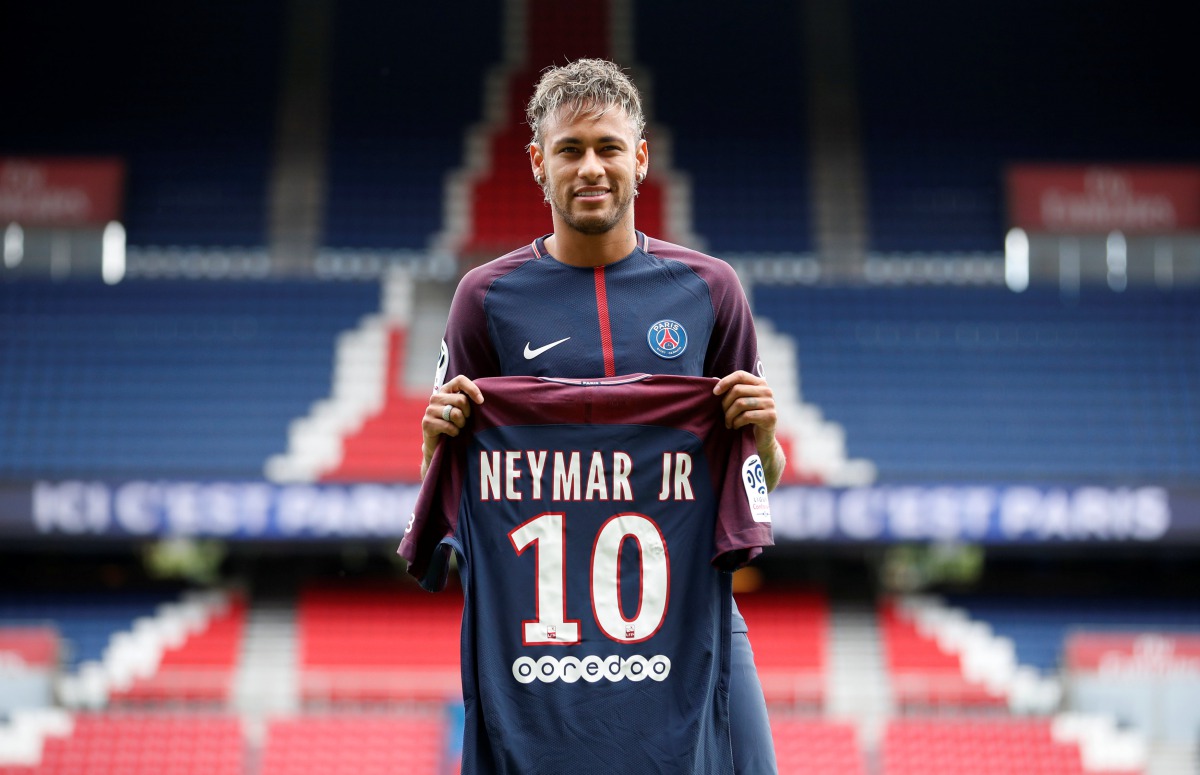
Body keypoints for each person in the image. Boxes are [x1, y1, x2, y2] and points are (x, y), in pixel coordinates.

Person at [420, 58, 784, 774]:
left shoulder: (711, 290)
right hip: (542, 640)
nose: (591, 168)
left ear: (640, 158)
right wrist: (435, 441)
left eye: (609, 148)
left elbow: (758, 481)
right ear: (539, 164)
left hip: (692, 618)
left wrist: (764, 439)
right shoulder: (483, 299)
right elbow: (450, 481)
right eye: (570, 150)